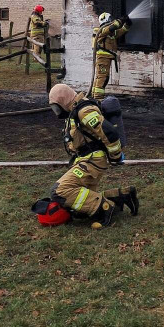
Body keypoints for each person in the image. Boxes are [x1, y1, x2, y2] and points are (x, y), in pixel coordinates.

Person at [42, 83, 139, 228]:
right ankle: (121, 196)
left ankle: (106, 208)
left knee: (59, 191)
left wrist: (116, 156)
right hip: (85, 160)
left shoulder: (84, 111)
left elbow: (109, 133)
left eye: (56, 107)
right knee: (80, 206)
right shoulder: (74, 111)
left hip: (91, 161)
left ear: (63, 100)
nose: (57, 112)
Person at [91, 12, 131, 98]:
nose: (111, 21)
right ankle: (98, 98)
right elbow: (113, 26)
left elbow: (120, 31)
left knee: (100, 77)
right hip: (102, 58)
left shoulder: (109, 33)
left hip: (105, 58)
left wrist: (127, 24)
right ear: (106, 20)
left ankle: (94, 96)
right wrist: (121, 20)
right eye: (110, 19)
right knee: (103, 78)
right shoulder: (101, 30)